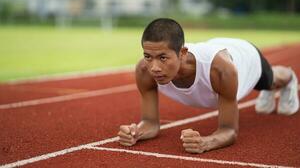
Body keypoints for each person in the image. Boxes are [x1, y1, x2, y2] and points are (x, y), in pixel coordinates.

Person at [117, 18, 299, 154]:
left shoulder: (221, 71)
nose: (154, 68)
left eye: (163, 58)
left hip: (245, 57)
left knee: (271, 80)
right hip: (215, 45)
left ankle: (289, 77)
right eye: (148, 56)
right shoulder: (144, 70)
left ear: (182, 53)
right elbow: (150, 123)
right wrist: (136, 132)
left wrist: (206, 142)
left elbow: (229, 130)